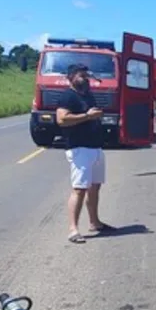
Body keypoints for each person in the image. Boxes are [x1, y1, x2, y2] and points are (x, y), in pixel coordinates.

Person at [56, 64, 115, 244]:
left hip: (95, 147)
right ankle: (73, 229)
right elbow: (61, 119)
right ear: (71, 77)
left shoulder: (87, 95)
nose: (86, 79)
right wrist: (87, 116)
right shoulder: (68, 97)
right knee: (80, 189)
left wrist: (95, 115)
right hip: (79, 149)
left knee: (94, 187)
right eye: (82, 76)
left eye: (87, 76)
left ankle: (94, 222)